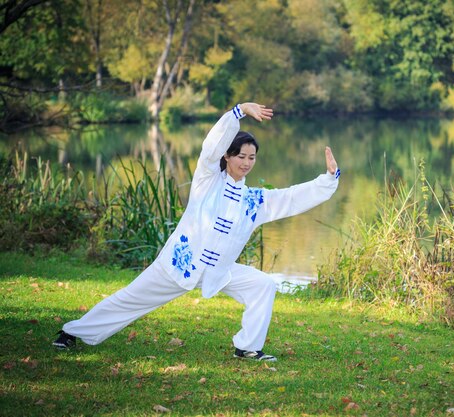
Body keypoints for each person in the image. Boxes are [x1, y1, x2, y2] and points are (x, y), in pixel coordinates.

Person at [53, 102, 340, 362]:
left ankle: (248, 348)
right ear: (228, 156)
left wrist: (327, 180)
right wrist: (237, 112)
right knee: (130, 299)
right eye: (241, 155)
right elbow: (210, 148)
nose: (247, 162)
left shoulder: (254, 201)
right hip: (180, 264)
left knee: (262, 285)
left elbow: (289, 198)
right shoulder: (207, 180)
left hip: (220, 271)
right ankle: (72, 333)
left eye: (252, 158)